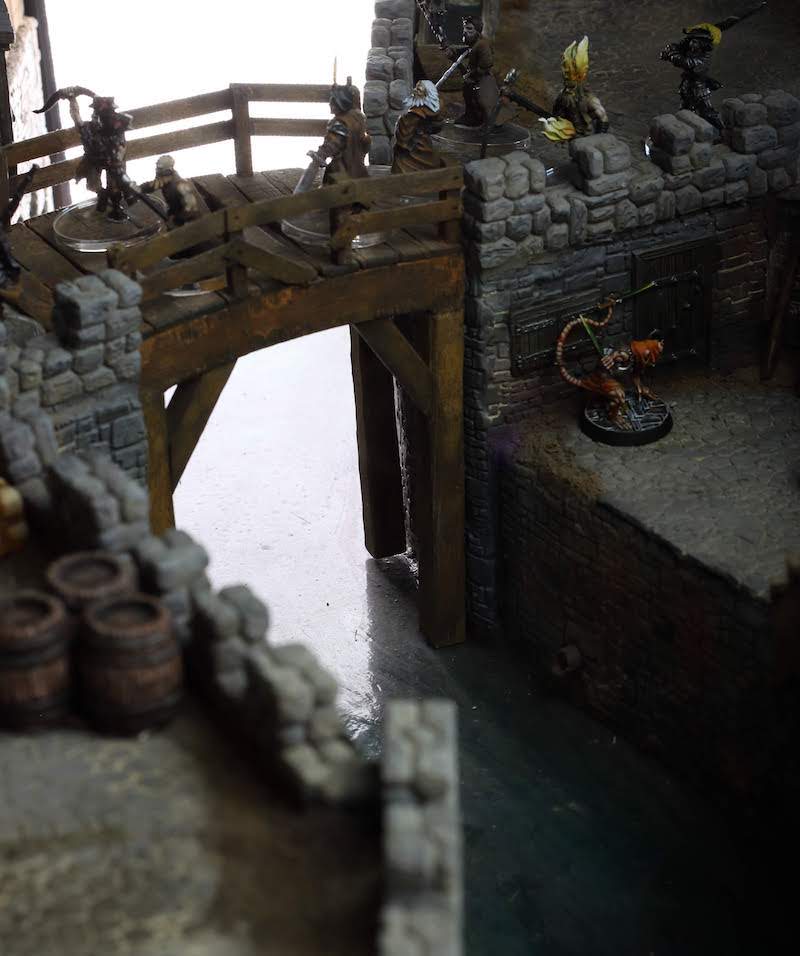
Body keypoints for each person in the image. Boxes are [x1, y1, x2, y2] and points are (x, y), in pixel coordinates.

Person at [446, 16, 497, 129]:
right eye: (464, 28)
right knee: (468, 95)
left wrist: (472, 74)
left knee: (476, 98)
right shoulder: (474, 44)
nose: (465, 32)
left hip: (482, 80)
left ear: (477, 31)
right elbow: (467, 51)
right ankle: (470, 116)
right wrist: (453, 51)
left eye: (469, 29)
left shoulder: (482, 45)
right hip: (474, 78)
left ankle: (476, 118)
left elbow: (486, 64)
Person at [391, 80, 442, 175]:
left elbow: (404, 136)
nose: (415, 91)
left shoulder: (413, 115)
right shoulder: (427, 111)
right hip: (421, 146)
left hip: (413, 152)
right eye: (416, 88)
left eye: (419, 90)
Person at [139, 155, 202, 228]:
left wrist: (177, 221)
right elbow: (153, 185)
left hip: (190, 224)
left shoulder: (181, 185)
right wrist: (138, 188)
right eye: (157, 168)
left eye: (160, 169)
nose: (157, 170)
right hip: (176, 216)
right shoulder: (164, 180)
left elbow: (191, 208)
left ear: (168, 170)